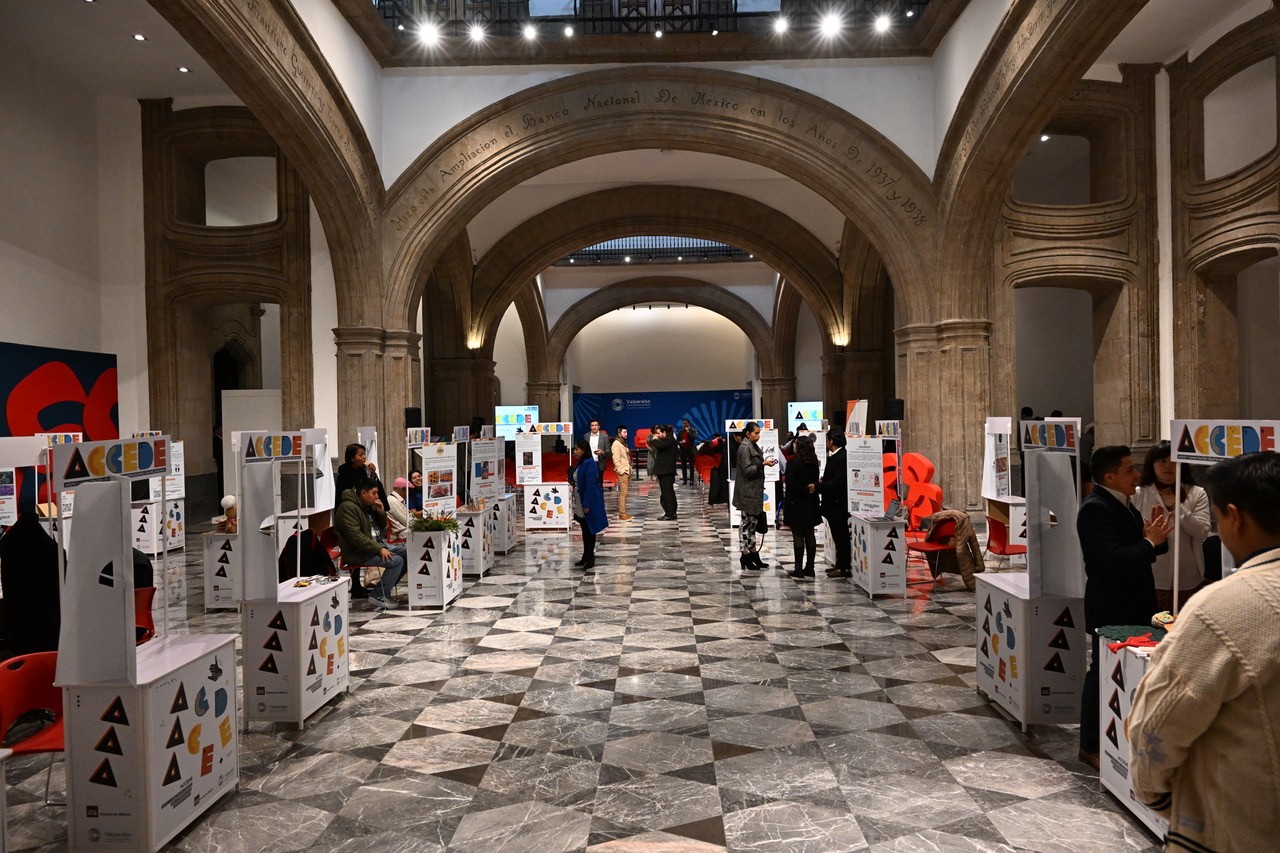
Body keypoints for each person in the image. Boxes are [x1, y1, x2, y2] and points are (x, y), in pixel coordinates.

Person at [1128, 451, 1280, 852]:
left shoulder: (1226, 607)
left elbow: (1158, 723)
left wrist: (1161, 797)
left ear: (1235, 517)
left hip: (1241, 827)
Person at [1076, 444, 1172, 769]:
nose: (1136, 475)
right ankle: (1089, 744)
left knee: (1127, 673)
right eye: (1129, 469)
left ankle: (1120, 737)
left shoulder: (1124, 504)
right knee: (1099, 672)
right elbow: (1113, 560)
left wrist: (1154, 538)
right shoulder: (1095, 509)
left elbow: (1143, 548)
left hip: (1134, 602)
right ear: (1110, 476)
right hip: (1112, 605)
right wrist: (1148, 542)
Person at [1132, 441, 1211, 613]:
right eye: (1161, 461)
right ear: (1152, 464)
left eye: (1174, 461)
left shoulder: (1196, 493)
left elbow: (1202, 532)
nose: (1168, 466)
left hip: (1188, 574)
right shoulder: (1138, 494)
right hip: (1151, 574)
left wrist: (1178, 507)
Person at [334, 477, 406, 610]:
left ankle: (384, 589)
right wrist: (379, 549)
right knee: (396, 561)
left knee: (407, 554)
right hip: (358, 552)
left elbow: (382, 531)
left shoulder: (364, 505)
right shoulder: (347, 508)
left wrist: (380, 513)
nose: (376, 497)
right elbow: (356, 537)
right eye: (374, 493)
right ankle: (378, 595)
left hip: (374, 546)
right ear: (363, 493)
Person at [733, 422, 776, 570]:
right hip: (747, 492)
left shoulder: (753, 446)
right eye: (756, 433)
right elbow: (747, 470)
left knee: (752, 525)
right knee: (746, 525)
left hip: (754, 491)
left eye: (759, 433)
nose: (758, 436)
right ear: (748, 433)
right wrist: (762, 464)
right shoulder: (745, 448)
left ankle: (753, 554)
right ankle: (745, 555)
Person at [784, 434, 821, 580]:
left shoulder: (793, 463)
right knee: (810, 533)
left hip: (796, 502)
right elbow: (815, 481)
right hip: (811, 501)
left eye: (795, 444)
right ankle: (810, 568)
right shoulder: (814, 462)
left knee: (798, 534)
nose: (793, 446)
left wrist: (803, 490)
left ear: (799, 447)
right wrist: (809, 490)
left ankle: (798, 568)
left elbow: (790, 483)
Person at [569, 439, 609, 569]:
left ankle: (590, 557)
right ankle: (586, 556)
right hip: (580, 502)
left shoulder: (590, 463)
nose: (574, 451)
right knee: (585, 530)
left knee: (590, 530)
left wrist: (586, 505)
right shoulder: (581, 463)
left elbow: (590, 485)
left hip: (588, 502)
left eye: (577, 449)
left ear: (584, 450)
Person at [820, 430, 851, 578]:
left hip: (837, 505)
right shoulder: (836, 456)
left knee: (841, 536)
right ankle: (840, 565)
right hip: (832, 504)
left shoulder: (841, 457)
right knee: (838, 536)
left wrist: (820, 486)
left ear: (831, 441)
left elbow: (838, 482)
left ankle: (844, 567)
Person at [335, 443, 387, 507]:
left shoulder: (364, 471)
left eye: (364, 454)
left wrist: (373, 473)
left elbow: (372, 488)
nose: (364, 457)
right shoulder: (344, 474)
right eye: (360, 455)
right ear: (352, 459)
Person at [648, 423, 679, 520]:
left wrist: (653, 439)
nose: (657, 435)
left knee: (667, 493)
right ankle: (672, 512)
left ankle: (669, 514)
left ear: (664, 432)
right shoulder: (667, 440)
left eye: (658, 433)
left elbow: (659, 445)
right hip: (665, 470)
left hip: (666, 471)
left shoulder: (669, 440)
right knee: (668, 492)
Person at [612, 426, 633, 521]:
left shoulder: (623, 443)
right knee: (623, 493)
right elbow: (616, 459)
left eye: (627, 432)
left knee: (625, 493)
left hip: (627, 470)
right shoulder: (616, 444)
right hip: (623, 471)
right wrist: (621, 471)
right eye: (624, 432)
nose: (626, 434)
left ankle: (624, 511)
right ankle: (622, 513)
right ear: (619, 433)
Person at [584, 419, 610, 485]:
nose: (594, 427)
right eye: (592, 425)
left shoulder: (604, 436)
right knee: (590, 482)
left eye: (596, 425)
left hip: (600, 462)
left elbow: (608, 451)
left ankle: (599, 495)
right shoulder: (586, 436)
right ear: (590, 427)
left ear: (599, 426)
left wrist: (602, 452)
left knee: (599, 483)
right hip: (589, 462)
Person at [387, 476, 412, 542]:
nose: (409, 492)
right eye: (408, 489)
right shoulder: (392, 501)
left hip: (405, 532)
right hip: (400, 535)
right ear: (402, 489)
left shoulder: (396, 500)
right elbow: (408, 522)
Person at [677, 418, 698, 485]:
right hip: (683, 450)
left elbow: (693, 438)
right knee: (684, 466)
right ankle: (685, 480)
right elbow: (677, 441)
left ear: (689, 423)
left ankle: (691, 480)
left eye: (685, 423)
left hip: (691, 450)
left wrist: (688, 432)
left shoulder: (693, 430)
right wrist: (680, 442)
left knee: (691, 466)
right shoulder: (680, 431)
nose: (684, 425)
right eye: (683, 423)